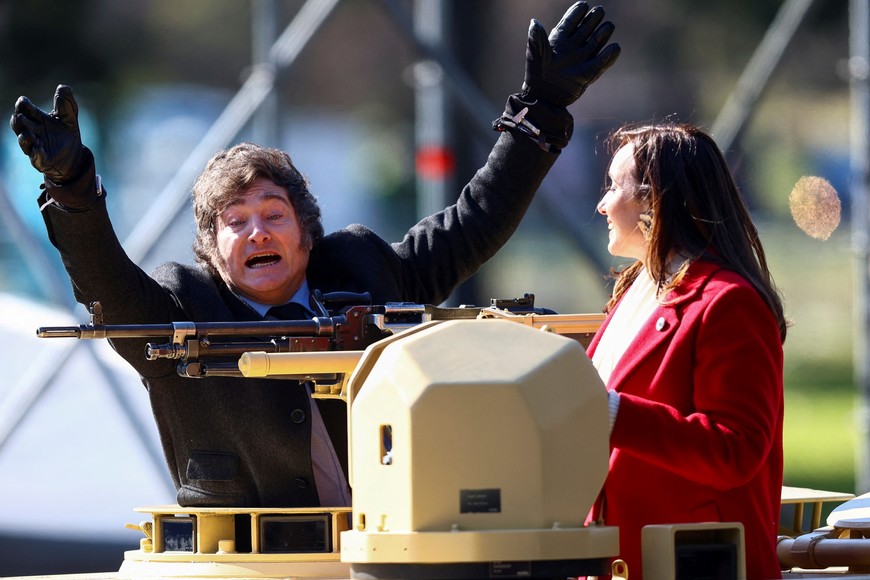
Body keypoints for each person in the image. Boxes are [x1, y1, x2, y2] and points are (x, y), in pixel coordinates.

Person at [10, 3, 620, 509]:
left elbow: (474, 222)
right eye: (235, 223)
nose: (257, 234)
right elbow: (104, 285)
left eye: (274, 215)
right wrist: (72, 187)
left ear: (306, 233)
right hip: (249, 565)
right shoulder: (180, 305)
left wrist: (543, 105)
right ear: (211, 251)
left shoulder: (361, 267)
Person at [588, 122, 787, 579]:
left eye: (614, 187)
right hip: (624, 557)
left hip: (697, 563)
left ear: (654, 200)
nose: (602, 204)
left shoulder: (728, 302)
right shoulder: (635, 290)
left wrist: (613, 413)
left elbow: (735, 448)